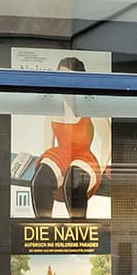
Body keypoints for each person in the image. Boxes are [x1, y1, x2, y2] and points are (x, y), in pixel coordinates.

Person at [28, 58, 104, 219]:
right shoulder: (53, 109)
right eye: (61, 76)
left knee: (73, 183)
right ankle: (43, 232)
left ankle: (79, 233)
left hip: (83, 156)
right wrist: (47, 166)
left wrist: (102, 169)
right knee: (39, 182)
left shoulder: (90, 107)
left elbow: (107, 138)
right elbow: (47, 144)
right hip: (60, 154)